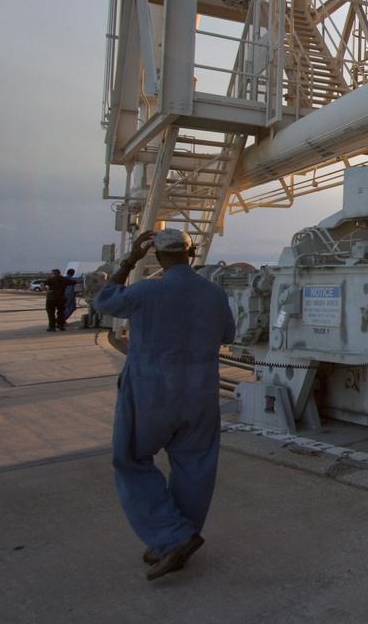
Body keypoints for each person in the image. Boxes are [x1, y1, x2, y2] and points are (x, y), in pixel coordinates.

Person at [95, 229, 235, 581]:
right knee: (195, 467)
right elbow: (228, 335)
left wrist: (129, 261)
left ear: (158, 257)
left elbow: (105, 301)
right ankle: (172, 540)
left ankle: (172, 537)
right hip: (200, 396)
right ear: (191, 254)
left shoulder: (146, 290)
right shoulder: (214, 294)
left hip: (150, 393)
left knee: (130, 460)